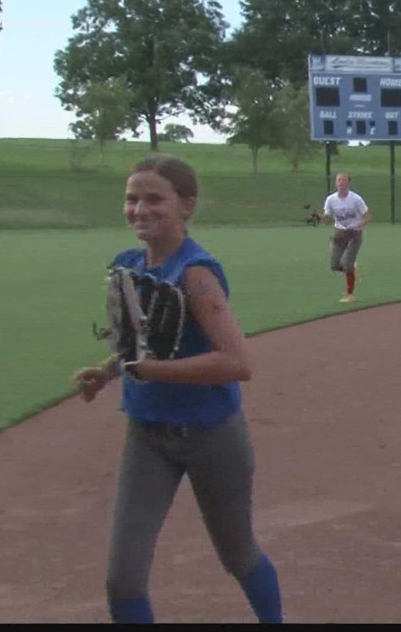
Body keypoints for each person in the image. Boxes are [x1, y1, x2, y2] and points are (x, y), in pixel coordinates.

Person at [69, 154, 283, 623]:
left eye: (154, 199)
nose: (139, 209)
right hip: (148, 437)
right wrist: (109, 371)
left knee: (238, 555)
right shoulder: (127, 266)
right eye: (131, 199)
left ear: (186, 206)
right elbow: (137, 348)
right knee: (122, 577)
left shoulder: (196, 273)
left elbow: (236, 363)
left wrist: (149, 371)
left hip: (212, 437)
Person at [322, 172, 371, 303]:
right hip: (340, 233)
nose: (341, 183)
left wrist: (360, 224)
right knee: (334, 265)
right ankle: (352, 269)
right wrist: (323, 218)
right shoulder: (331, 199)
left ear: (348, 183)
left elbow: (367, 217)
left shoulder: (356, 199)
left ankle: (349, 294)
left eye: (343, 180)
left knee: (346, 264)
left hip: (354, 233)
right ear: (335, 183)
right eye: (338, 180)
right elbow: (327, 217)